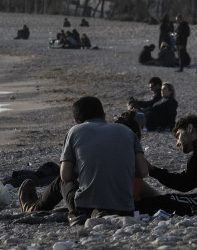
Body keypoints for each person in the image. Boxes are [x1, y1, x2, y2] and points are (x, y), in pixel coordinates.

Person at [18, 96, 148, 225]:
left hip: (85, 208)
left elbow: (66, 176)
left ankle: (34, 208)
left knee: (60, 182)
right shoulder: (127, 132)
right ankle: (101, 210)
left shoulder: (75, 131)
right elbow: (143, 172)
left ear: (77, 121)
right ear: (104, 115)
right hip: (125, 209)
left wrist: (83, 169)